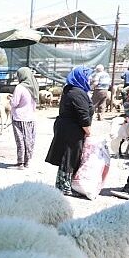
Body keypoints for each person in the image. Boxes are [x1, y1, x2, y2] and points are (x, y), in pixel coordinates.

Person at [45, 66, 93, 196]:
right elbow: (83, 115)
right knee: (70, 157)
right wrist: (88, 131)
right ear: (81, 77)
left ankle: (62, 184)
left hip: (66, 127)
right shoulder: (76, 93)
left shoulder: (70, 89)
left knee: (67, 156)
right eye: (88, 76)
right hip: (72, 130)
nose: (90, 79)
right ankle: (65, 187)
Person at [9, 67, 39, 169]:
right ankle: (27, 161)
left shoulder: (20, 88)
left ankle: (20, 162)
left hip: (19, 118)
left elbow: (15, 103)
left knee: (20, 140)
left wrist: (10, 99)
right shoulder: (34, 87)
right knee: (29, 139)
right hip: (31, 117)